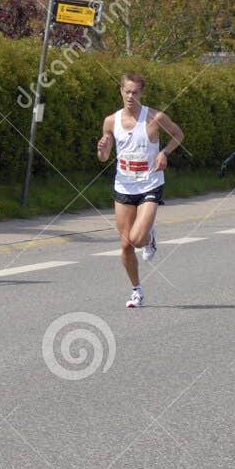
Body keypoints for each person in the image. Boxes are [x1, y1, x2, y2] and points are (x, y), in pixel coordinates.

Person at [96, 72, 183, 309]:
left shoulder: (155, 118)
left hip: (149, 184)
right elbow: (104, 157)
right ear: (121, 91)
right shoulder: (110, 121)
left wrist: (164, 152)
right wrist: (102, 149)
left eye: (135, 92)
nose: (131, 97)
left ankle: (148, 236)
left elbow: (178, 134)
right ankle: (137, 290)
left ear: (141, 93)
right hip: (124, 185)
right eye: (127, 91)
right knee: (125, 246)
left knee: (136, 239)